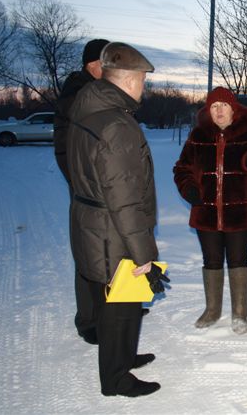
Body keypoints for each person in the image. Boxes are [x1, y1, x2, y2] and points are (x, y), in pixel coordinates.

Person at [67, 42, 168, 396]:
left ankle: (122, 358)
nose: (144, 87)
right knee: (121, 305)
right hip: (113, 231)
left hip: (91, 222)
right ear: (128, 81)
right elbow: (125, 199)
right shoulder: (117, 125)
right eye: (142, 80)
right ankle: (116, 378)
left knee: (110, 302)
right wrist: (144, 256)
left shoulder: (87, 111)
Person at [173, 87, 247, 335]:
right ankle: (213, 310)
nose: (219, 110)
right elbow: (181, 168)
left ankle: (240, 314)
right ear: (208, 110)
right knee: (212, 260)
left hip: (240, 214)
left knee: (238, 260)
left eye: (224, 105)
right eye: (213, 106)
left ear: (234, 108)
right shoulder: (198, 135)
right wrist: (189, 189)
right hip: (205, 213)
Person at [54, 38, 109, 345]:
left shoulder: (93, 90)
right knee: (90, 252)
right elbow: (70, 147)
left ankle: (115, 307)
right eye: (108, 63)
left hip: (100, 184)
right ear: (93, 65)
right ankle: (88, 320)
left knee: (112, 248)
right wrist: (83, 183)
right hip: (88, 187)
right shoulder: (79, 94)